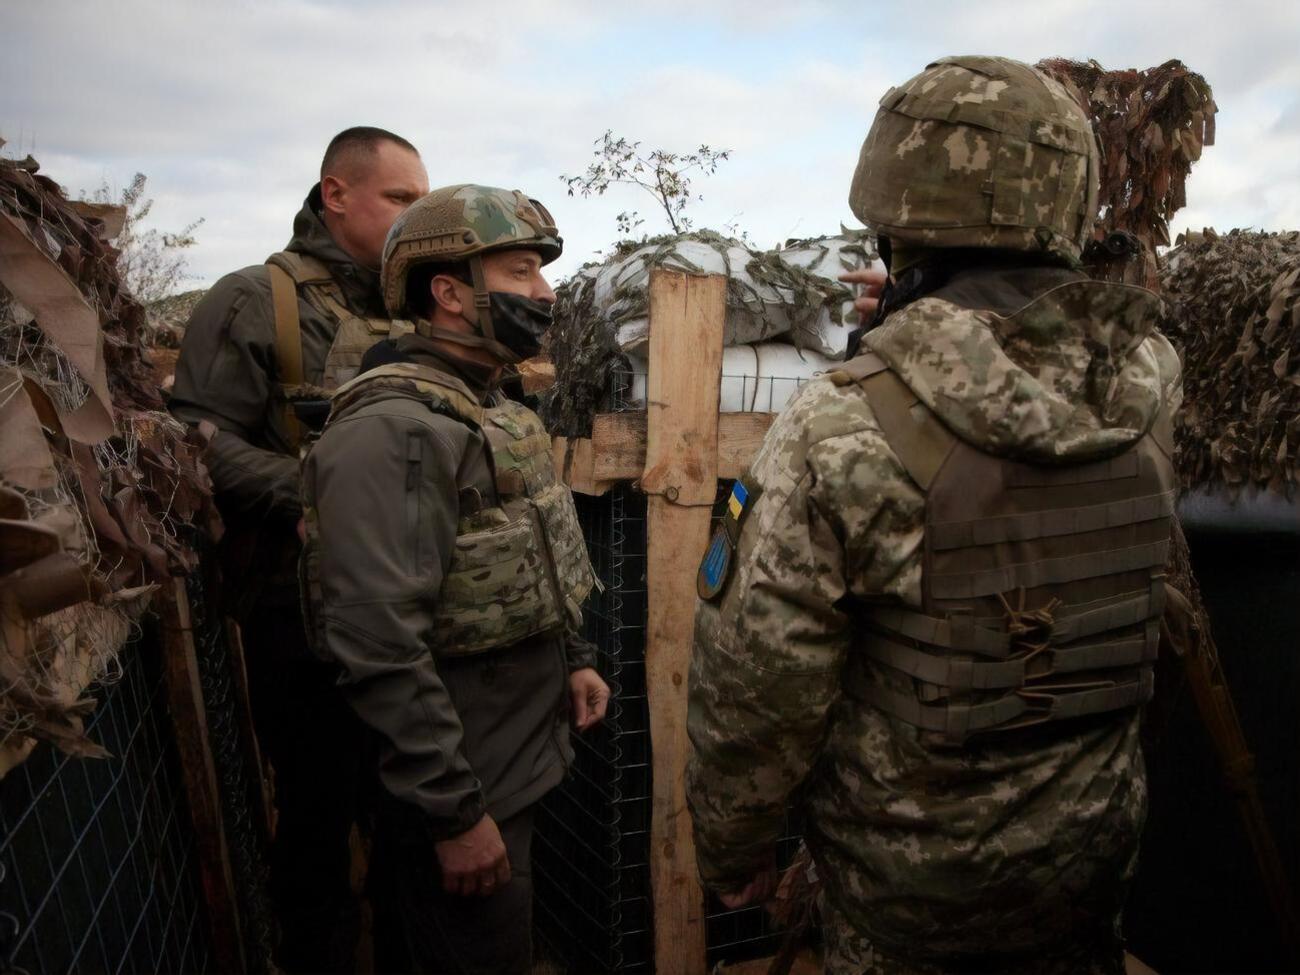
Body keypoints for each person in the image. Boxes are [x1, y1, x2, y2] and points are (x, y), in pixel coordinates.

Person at [686, 56, 1184, 975]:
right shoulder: (1151, 385)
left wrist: (731, 850)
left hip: (909, 901)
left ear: (895, 215)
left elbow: (754, 685)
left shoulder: (839, 423)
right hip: (1091, 867)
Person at [299, 184, 611, 974]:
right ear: (448, 293)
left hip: (508, 757)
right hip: (462, 783)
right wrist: (454, 814)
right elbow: (376, 640)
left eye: (542, 272)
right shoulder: (395, 430)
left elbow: (524, 547)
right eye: (519, 273)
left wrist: (570, 654)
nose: (544, 292)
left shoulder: (488, 407)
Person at [169, 126, 429, 972]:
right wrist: (312, 493)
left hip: (411, 612)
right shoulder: (254, 300)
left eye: (422, 203)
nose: (412, 217)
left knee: (411, 827)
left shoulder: (413, 309)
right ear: (336, 194)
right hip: (300, 617)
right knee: (317, 827)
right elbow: (194, 437)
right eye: (400, 199)